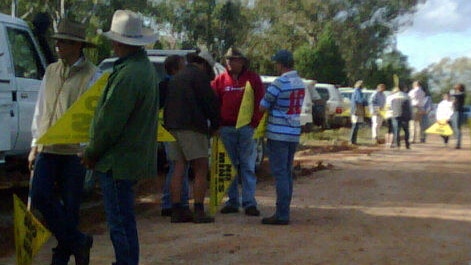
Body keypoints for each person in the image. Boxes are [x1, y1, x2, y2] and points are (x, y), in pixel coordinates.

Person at [81, 10, 159, 265]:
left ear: (123, 42)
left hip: (117, 161)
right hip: (128, 158)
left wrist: (92, 152)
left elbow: (109, 124)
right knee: (124, 219)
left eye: (115, 39)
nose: (112, 44)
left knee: (119, 222)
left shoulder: (127, 75)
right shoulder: (141, 68)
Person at [28, 18, 98, 265]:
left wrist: (87, 150)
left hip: (74, 152)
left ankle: (61, 254)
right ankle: (78, 241)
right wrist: (35, 143)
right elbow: (41, 108)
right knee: (40, 196)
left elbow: (92, 116)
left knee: (71, 207)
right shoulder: (51, 71)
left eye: (63, 41)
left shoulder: (93, 75)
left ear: (77, 45)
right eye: (57, 41)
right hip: (47, 147)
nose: (57, 45)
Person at [164, 51, 220, 223]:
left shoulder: (176, 77)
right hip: (192, 127)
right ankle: (198, 210)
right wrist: (216, 125)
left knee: (179, 167)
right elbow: (210, 103)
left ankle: (176, 210)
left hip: (171, 127)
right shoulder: (199, 77)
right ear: (204, 65)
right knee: (201, 168)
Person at [211, 47, 264, 217]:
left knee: (247, 165)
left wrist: (254, 123)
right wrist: (216, 125)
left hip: (246, 129)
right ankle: (233, 201)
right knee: (230, 166)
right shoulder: (220, 80)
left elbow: (260, 102)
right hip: (226, 129)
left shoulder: (253, 79)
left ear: (241, 62)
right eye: (227, 59)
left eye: (232, 59)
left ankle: (249, 202)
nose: (229, 62)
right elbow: (213, 103)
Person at [259, 49, 305, 225]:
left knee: (280, 174)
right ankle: (284, 210)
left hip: (278, 133)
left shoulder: (280, 82)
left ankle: (282, 213)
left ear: (280, 64)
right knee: (286, 172)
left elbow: (263, 105)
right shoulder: (299, 82)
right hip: (293, 131)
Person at [158, 55, 191, 217]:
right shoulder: (171, 85)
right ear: (175, 69)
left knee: (176, 166)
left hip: (167, 130)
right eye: (183, 65)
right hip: (171, 130)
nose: (186, 68)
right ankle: (176, 202)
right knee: (178, 166)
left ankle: (171, 202)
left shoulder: (163, 84)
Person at [349, 80, 367, 145]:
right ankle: (352, 140)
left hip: (356, 110)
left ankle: (353, 140)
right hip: (356, 110)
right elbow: (360, 100)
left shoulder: (357, 91)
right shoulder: (357, 91)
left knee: (356, 125)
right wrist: (365, 101)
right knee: (355, 125)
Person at [450, 83, 467, 149]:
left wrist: (452, 91)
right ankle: (457, 142)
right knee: (454, 127)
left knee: (457, 127)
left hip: (458, 112)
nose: (455, 89)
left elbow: (453, 94)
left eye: (456, 88)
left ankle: (458, 143)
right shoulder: (458, 94)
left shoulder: (462, 94)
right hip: (455, 112)